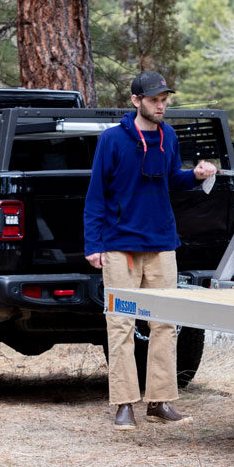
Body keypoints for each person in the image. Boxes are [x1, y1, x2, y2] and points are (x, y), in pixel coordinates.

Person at [84, 71, 216, 432]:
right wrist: (93, 245)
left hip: (161, 245)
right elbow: (96, 195)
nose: (162, 104)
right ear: (136, 100)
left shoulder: (168, 137)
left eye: (165, 99)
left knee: (165, 324)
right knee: (122, 325)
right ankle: (125, 404)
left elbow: (173, 179)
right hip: (119, 247)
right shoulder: (112, 141)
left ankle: (159, 401)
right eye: (155, 99)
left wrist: (197, 175)